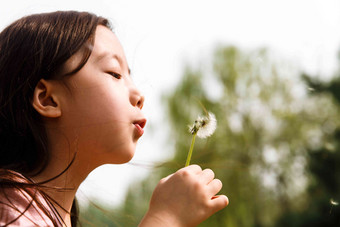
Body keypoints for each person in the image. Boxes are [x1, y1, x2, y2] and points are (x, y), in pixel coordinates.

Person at [0, 11, 229, 226]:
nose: (139, 95)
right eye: (115, 73)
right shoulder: (11, 213)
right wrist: (165, 218)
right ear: (48, 99)